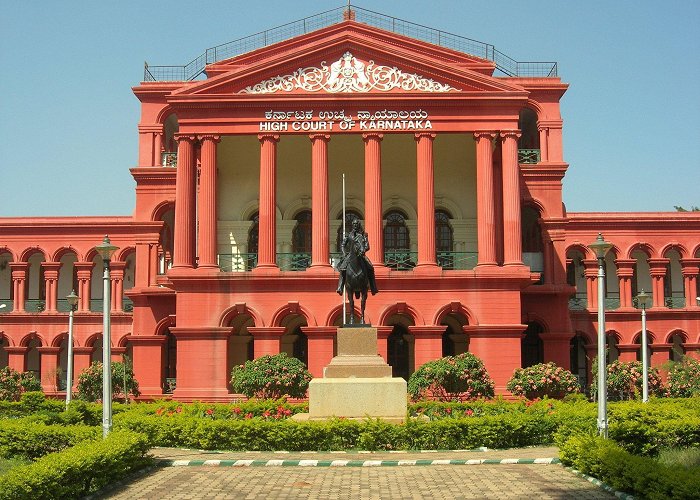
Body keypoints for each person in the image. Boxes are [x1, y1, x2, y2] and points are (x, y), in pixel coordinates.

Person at [336, 219, 378, 295]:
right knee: (342, 268)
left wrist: (363, 250)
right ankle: (340, 287)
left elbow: (367, 246)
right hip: (350, 255)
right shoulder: (349, 235)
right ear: (352, 225)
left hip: (361, 255)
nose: (355, 225)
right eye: (354, 224)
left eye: (357, 224)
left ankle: (373, 287)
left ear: (359, 225)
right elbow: (343, 245)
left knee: (371, 268)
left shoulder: (363, 235)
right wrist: (345, 253)